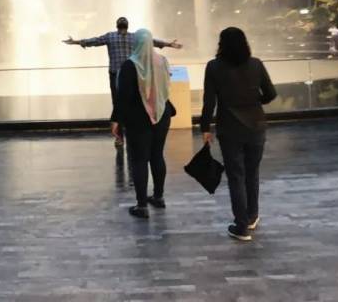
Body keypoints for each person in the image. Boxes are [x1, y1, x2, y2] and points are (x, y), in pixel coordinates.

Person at [201, 27, 277, 242]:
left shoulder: (214, 67)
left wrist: (205, 128)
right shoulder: (256, 64)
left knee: (236, 176)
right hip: (256, 125)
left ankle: (241, 226)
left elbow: (209, 101)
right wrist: (255, 101)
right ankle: (252, 216)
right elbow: (271, 93)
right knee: (252, 172)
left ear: (221, 44)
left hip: (229, 128)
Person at [63, 17, 181, 146]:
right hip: (133, 73)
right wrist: (169, 44)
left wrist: (75, 42)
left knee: (118, 102)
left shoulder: (111, 36)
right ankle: (136, 131)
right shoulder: (133, 37)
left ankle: (120, 136)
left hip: (117, 74)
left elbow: (94, 41)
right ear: (127, 26)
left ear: (117, 26)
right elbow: (150, 41)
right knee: (137, 100)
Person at [112, 29, 173, 219]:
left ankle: (141, 205)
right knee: (157, 155)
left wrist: (116, 120)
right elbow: (166, 85)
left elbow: (123, 97)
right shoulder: (162, 61)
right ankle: (158, 197)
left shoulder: (130, 65)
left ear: (136, 43)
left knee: (139, 160)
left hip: (139, 119)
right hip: (162, 114)